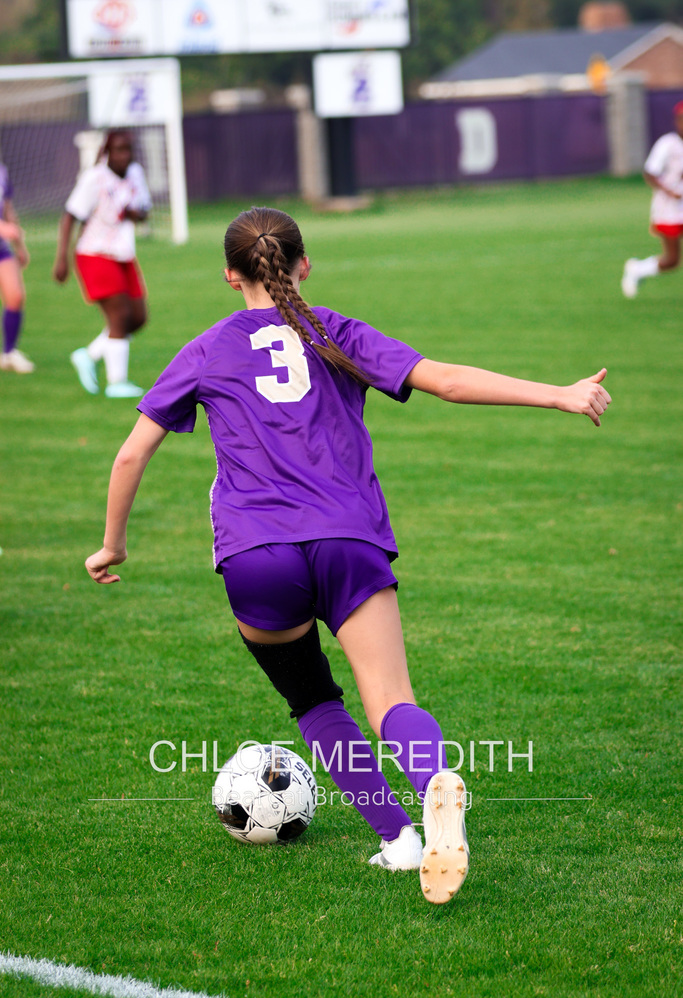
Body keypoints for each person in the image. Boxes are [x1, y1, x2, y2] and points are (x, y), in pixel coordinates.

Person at [84, 207, 611, 905]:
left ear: (229, 274)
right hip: (349, 539)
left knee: (310, 697)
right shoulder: (334, 330)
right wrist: (560, 395)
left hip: (256, 553)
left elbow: (131, 453)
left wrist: (112, 543)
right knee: (390, 698)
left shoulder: (206, 349)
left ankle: (398, 839)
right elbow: (446, 380)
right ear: (303, 266)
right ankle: (433, 783)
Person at [53, 128, 152, 398]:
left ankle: (89, 355)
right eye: (118, 149)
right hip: (94, 253)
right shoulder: (94, 178)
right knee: (119, 316)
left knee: (139, 318)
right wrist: (61, 257)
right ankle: (116, 382)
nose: (124, 155)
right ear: (107, 152)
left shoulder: (135, 174)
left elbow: (143, 210)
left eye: (128, 149)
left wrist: (136, 214)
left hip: (123, 253)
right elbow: (70, 215)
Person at [621, 100, 683, 298]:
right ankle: (637, 269)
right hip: (670, 209)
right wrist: (669, 191)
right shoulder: (668, 144)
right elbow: (650, 172)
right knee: (672, 261)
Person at [0, 162, 33, 374]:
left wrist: (20, 246)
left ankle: (9, 353)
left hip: (2, 247)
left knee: (16, 297)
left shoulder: (2, 170)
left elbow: (8, 209)